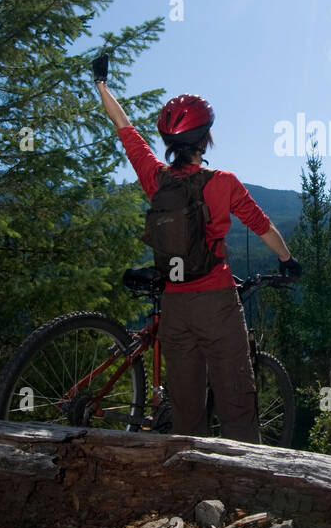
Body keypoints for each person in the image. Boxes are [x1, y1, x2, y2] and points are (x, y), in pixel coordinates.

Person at [92, 54, 300, 442]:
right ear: (205, 138)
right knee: (236, 405)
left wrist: (101, 84)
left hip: (174, 308)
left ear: (170, 142)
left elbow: (123, 126)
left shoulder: (156, 178)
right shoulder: (223, 182)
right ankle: (244, 492)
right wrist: (288, 260)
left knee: (187, 417)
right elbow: (263, 227)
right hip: (217, 303)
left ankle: (191, 492)